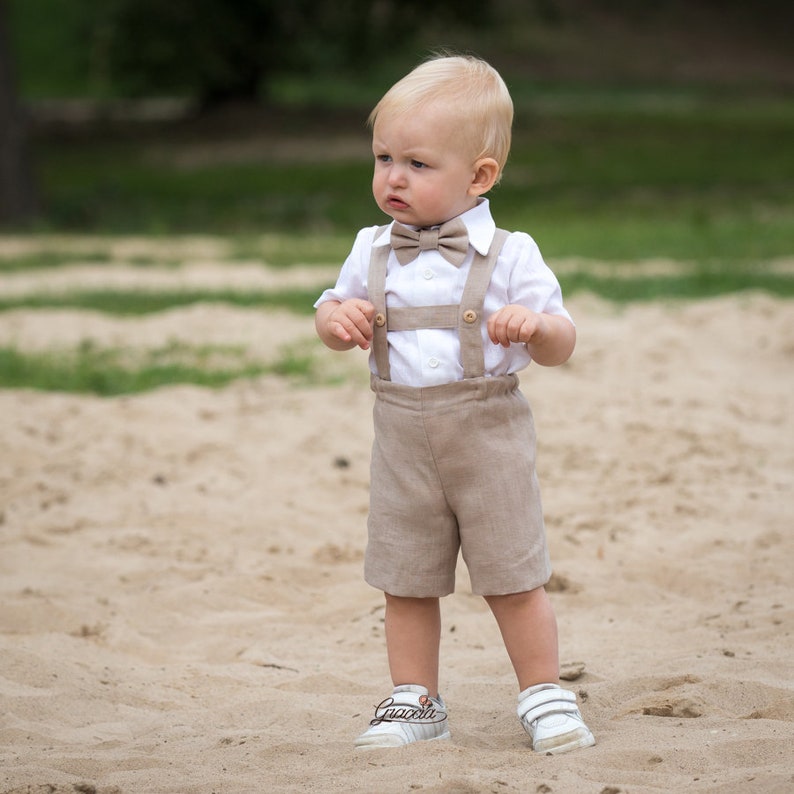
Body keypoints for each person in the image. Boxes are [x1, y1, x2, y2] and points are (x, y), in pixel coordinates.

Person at [314, 54, 595, 755]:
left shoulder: (511, 254)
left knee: (512, 571)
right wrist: (337, 320)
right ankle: (416, 698)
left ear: (480, 176)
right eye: (383, 158)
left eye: (416, 162)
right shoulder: (371, 248)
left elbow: (562, 341)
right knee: (405, 575)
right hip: (401, 436)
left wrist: (534, 327)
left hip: (487, 434)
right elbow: (330, 306)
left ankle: (542, 691)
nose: (393, 177)